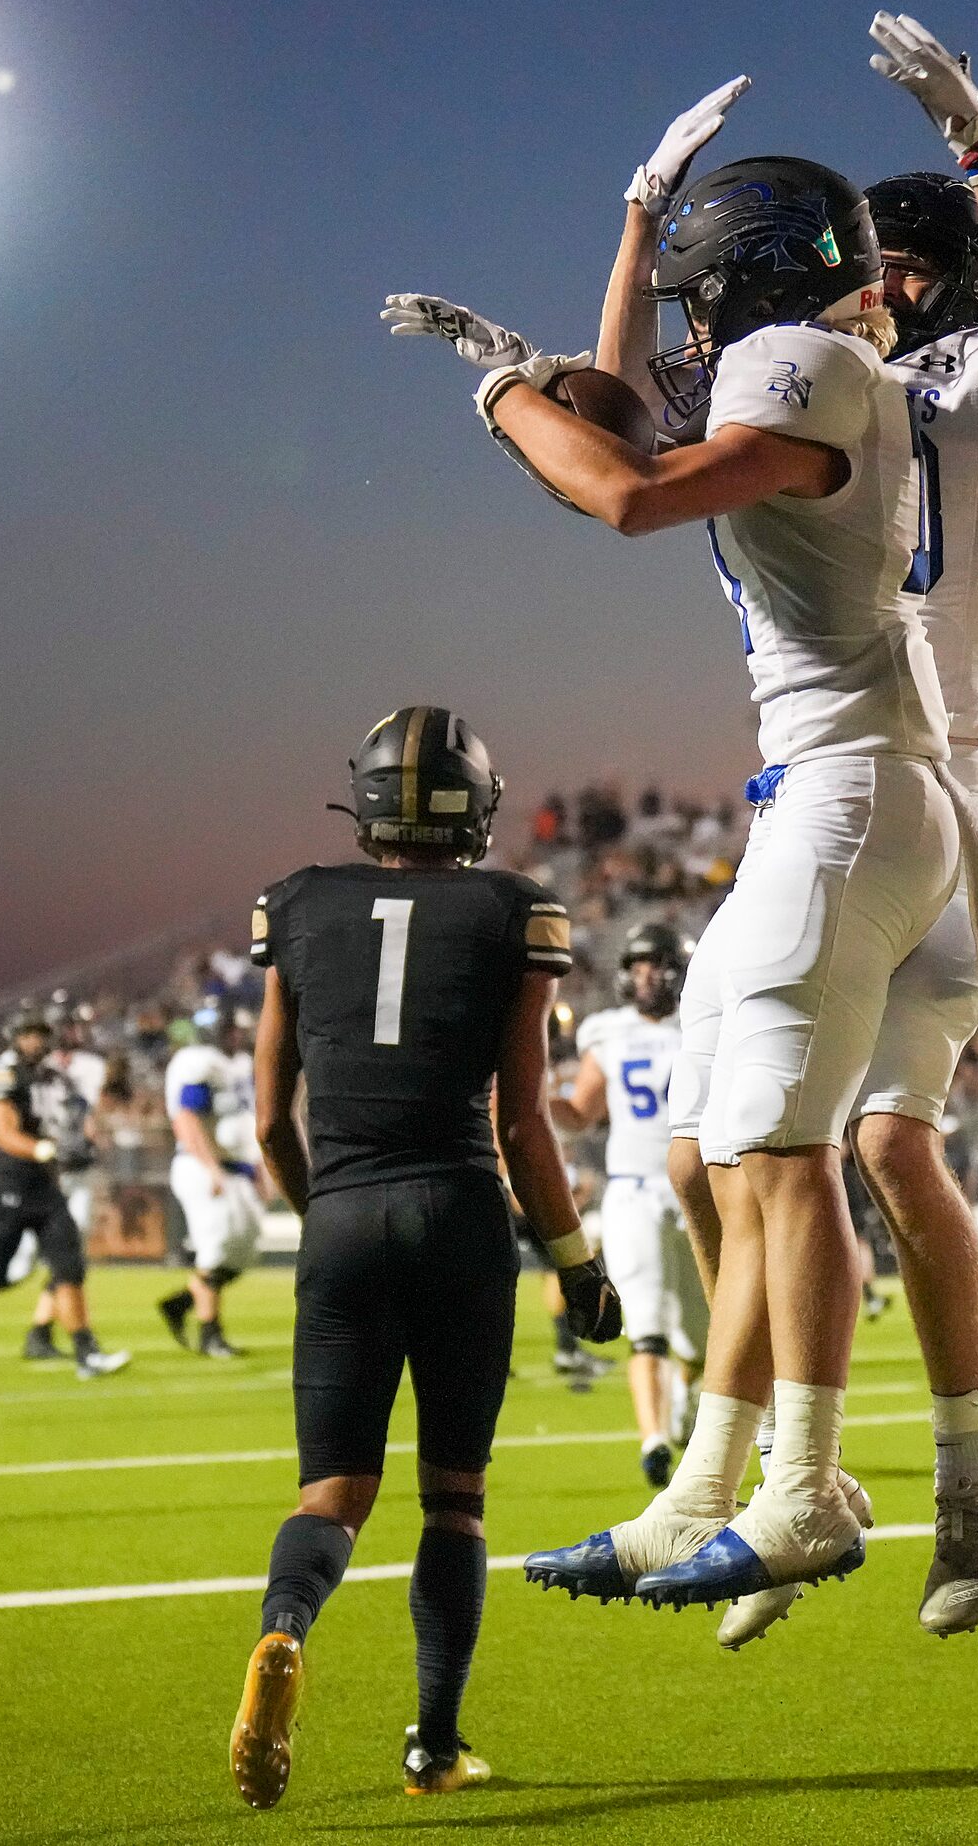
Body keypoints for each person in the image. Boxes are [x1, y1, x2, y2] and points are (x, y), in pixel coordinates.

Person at [619, 14, 978, 1649]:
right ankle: (752, 1475)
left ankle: (956, 1485)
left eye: (895, 265)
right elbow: (650, 427)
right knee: (712, 1154)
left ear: (940, 268)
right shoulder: (832, 382)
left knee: (875, 1145)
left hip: (929, 787)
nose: (870, 285)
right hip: (844, 777)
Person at [228, 707, 620, 1810]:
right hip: (456, 1219)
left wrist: (328, 1219)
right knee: (454, 1502)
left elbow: (268, 1121)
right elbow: (521, 1125)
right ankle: (433, 1747)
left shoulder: (297, 903)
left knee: (332, 1494)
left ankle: (283, 1629)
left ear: (363, 800)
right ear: (474, 806)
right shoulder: (512, 910)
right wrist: (577, 1265)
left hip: (345, 1218)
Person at [552, 923, 705, 1487]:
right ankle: (654, 1440)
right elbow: (580, 1112)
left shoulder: (705, 1024)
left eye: (658, 962)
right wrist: (532, 1099)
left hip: (698, 1190)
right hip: (633, 1188)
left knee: (700, 1333)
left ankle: (685, 1401)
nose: (647, 974)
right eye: (638, 963)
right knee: (644, 1321)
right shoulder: (608, 1032)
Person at [0, 1005, 129, 1381]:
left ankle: (86, 1353)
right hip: (9, 1185)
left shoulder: (53, 1077)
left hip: (46, 1187)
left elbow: (68, 1121)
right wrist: (45, 1149)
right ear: (15, 1036)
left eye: (41, 1033)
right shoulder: (0, 1071)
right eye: (30, 1034)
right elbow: (4, 1131)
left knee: (68, 1268)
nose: (37, 1041)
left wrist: (78, 1141)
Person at [156, 1004, 266, 1358]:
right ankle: (210, 1333)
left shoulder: (236, 1063)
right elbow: (187, 1119)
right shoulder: (198, 1061)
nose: (237, 1034)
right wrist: (212, 1168)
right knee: (215, 1249)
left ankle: (181, 1302)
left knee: (243, 1253)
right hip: (204, 1166)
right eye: (231, 1029)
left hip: (236, 1168)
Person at [19, 996, 109, 1363]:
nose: (79, 1032)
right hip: (43, 1173)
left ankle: (41, 1331)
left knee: (68, 1255)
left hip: (77, 1170)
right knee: (17, 1265)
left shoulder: (90, 1066)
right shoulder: (32, 1068)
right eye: (72, 1025)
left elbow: (87, 1115)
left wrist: (93, 1138)